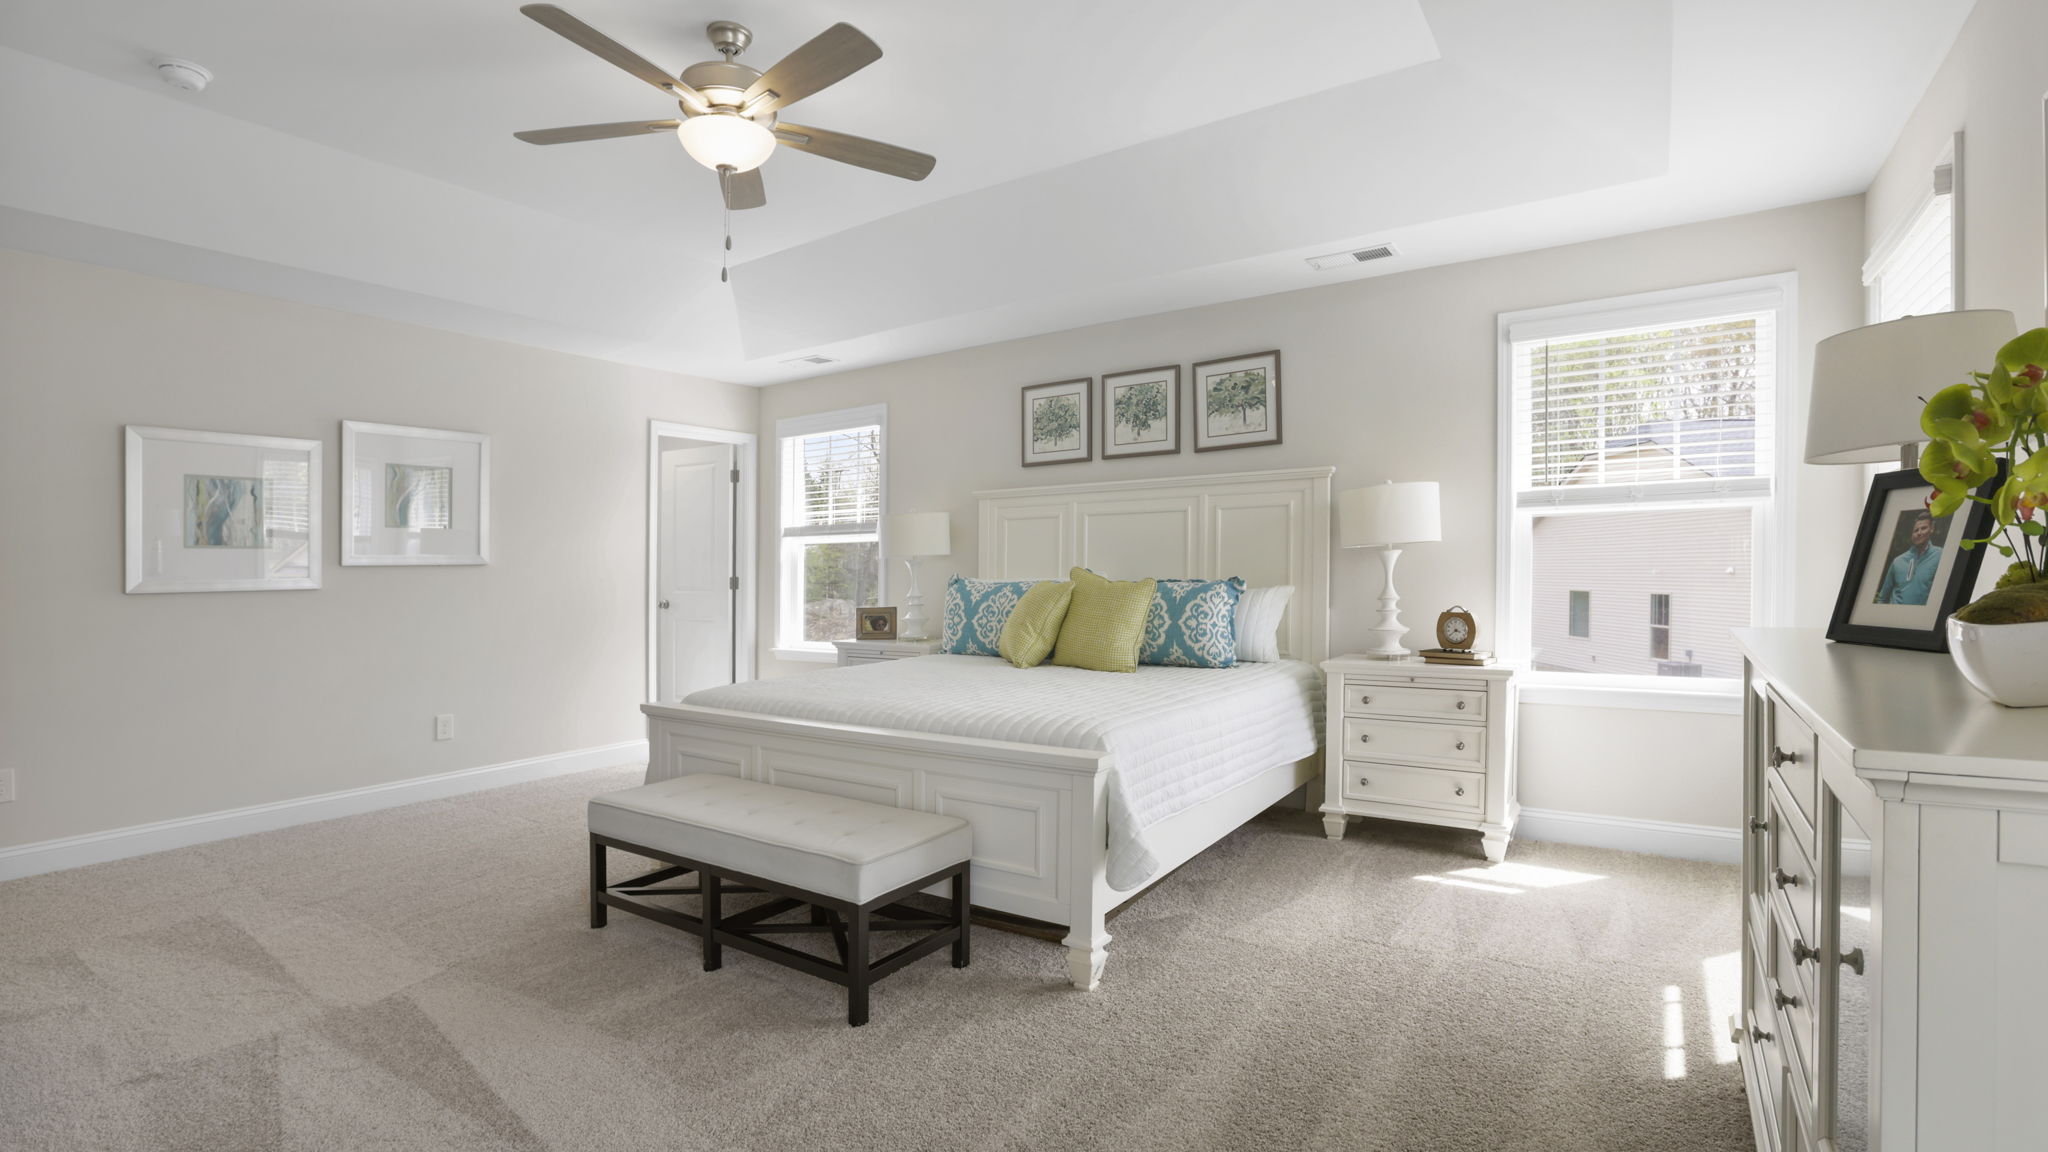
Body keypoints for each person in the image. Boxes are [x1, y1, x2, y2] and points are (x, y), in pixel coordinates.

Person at [1876, 510, 1942, 605]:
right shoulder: (1897, 561)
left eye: (1923, 528)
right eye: (1916, 530)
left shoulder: (1940, 555)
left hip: (1921, 617)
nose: (1919, 533)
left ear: (1932, 528)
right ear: (1911, 535)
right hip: (1894, 616)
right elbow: (1882, 598)